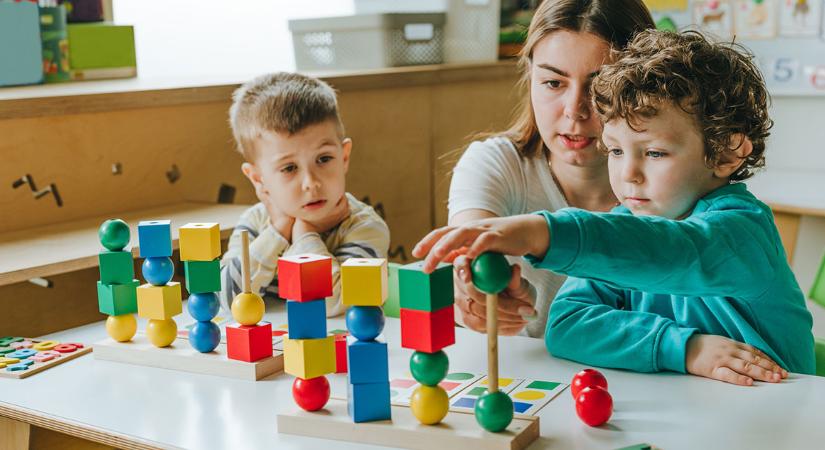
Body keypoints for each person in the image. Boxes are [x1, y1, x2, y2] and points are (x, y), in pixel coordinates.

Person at [414, 30, 815, 385]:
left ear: (727, 153)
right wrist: (685, 349)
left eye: (655, 153)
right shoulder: (627, 223)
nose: (629, 174)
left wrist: (545, 232)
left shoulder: (743, 233)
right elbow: (567, 324)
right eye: (616, 150)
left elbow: (673, 251)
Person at [447, 0, 655, 337]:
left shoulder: (676, 183)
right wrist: (470, 286)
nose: (575, 110)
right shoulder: (497, 163)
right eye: (554, 83)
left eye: (600, 85)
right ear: (530, 76)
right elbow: (467, 248)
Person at [220, 72, 390, 316]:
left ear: (344, 157)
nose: (311, 183)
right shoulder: (256, 223)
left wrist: (303, 233)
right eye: (289, 168)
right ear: (258, 179)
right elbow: (227, 299)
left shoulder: (363, 226)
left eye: (324, 159)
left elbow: (338, 304)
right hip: (277, 350)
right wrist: (278, 232)